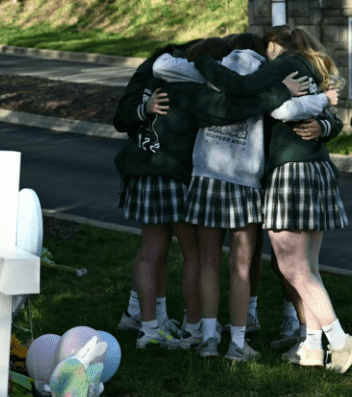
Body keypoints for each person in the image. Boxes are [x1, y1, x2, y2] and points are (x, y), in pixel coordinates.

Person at [114, 37, 310, 350]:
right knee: (220, 260)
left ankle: (166, 328)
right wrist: (278, 91)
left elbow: (158, 72)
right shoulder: (216, 86)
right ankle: (208, 333)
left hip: (170, 173)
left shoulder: (180, 78)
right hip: (203, 178)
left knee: (166, 251)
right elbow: (230, 108)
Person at [152, 33, 337, 360]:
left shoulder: (209, 71)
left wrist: (197, 58)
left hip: (207, 175)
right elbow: (290, 109)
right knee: (240, 264)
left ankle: (209, 337)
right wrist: (325, 104)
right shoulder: (266, 80)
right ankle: (237, 342)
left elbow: (163, 65)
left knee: (209, 261)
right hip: (245, 181)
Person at [192, 26, 352, 373]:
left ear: (272, 46)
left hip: (290, 174)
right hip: (318, 171)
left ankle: (341, 341)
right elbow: (330, 118)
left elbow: (242, 89)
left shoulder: (282, 64)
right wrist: (322, 117)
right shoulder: (314, 68)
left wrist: (204, 62)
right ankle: (312, 349)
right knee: (309, 268)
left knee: (293, 267)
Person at [113, 39, 203, 338]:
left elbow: (122, 115)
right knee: (193, 251)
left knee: (153, 249)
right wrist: (144, 109)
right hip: (174, 171)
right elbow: (122, 116)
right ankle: (194, 326)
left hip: (145, 167)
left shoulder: (152, 68)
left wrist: (142, 108)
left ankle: (150, 325)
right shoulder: (194, 72)